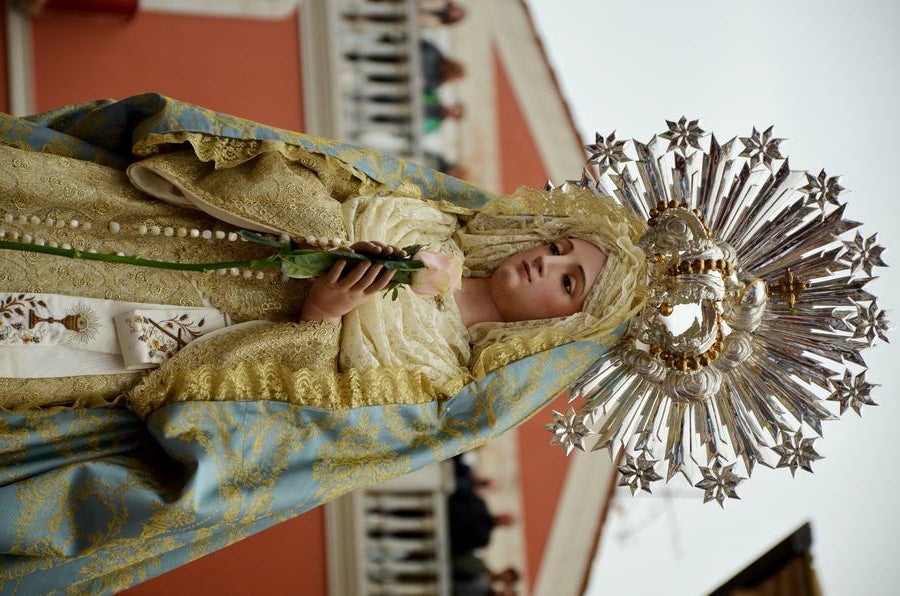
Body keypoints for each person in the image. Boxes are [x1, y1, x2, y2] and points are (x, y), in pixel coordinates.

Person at [0, 93, 645, 592]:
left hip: (167, 342)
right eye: (558, 246)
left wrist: (322, 315)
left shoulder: (437, 378)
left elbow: (288, 434)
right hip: (146, 229)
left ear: (563, 329)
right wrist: (315, 224)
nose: (546, 263)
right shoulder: (429, 217)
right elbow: (301, 169)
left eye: (568, 282)